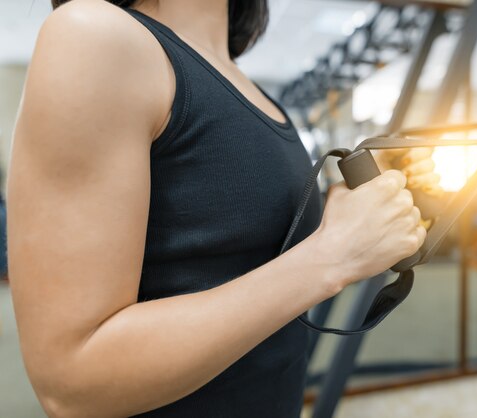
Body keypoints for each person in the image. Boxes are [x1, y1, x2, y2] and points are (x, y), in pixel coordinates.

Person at [8, 0, 438, 417]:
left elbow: (244, 253)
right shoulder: (95, 34)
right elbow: (74, 384)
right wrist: (331, 256)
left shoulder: (250, 87)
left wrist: (356, 216)